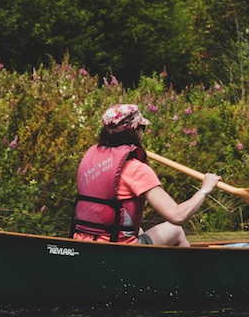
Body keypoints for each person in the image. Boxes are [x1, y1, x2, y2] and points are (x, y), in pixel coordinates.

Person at [71, 103, 220, 246]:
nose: (143, 132)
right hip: (116, 247)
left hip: (84, 242)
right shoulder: (135, 169)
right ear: (134, 130)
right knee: (176, 230)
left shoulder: (90, 157)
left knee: (140, 230)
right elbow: (177, 216)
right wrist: (205, 189)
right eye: (142, 128)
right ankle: (189, 273)